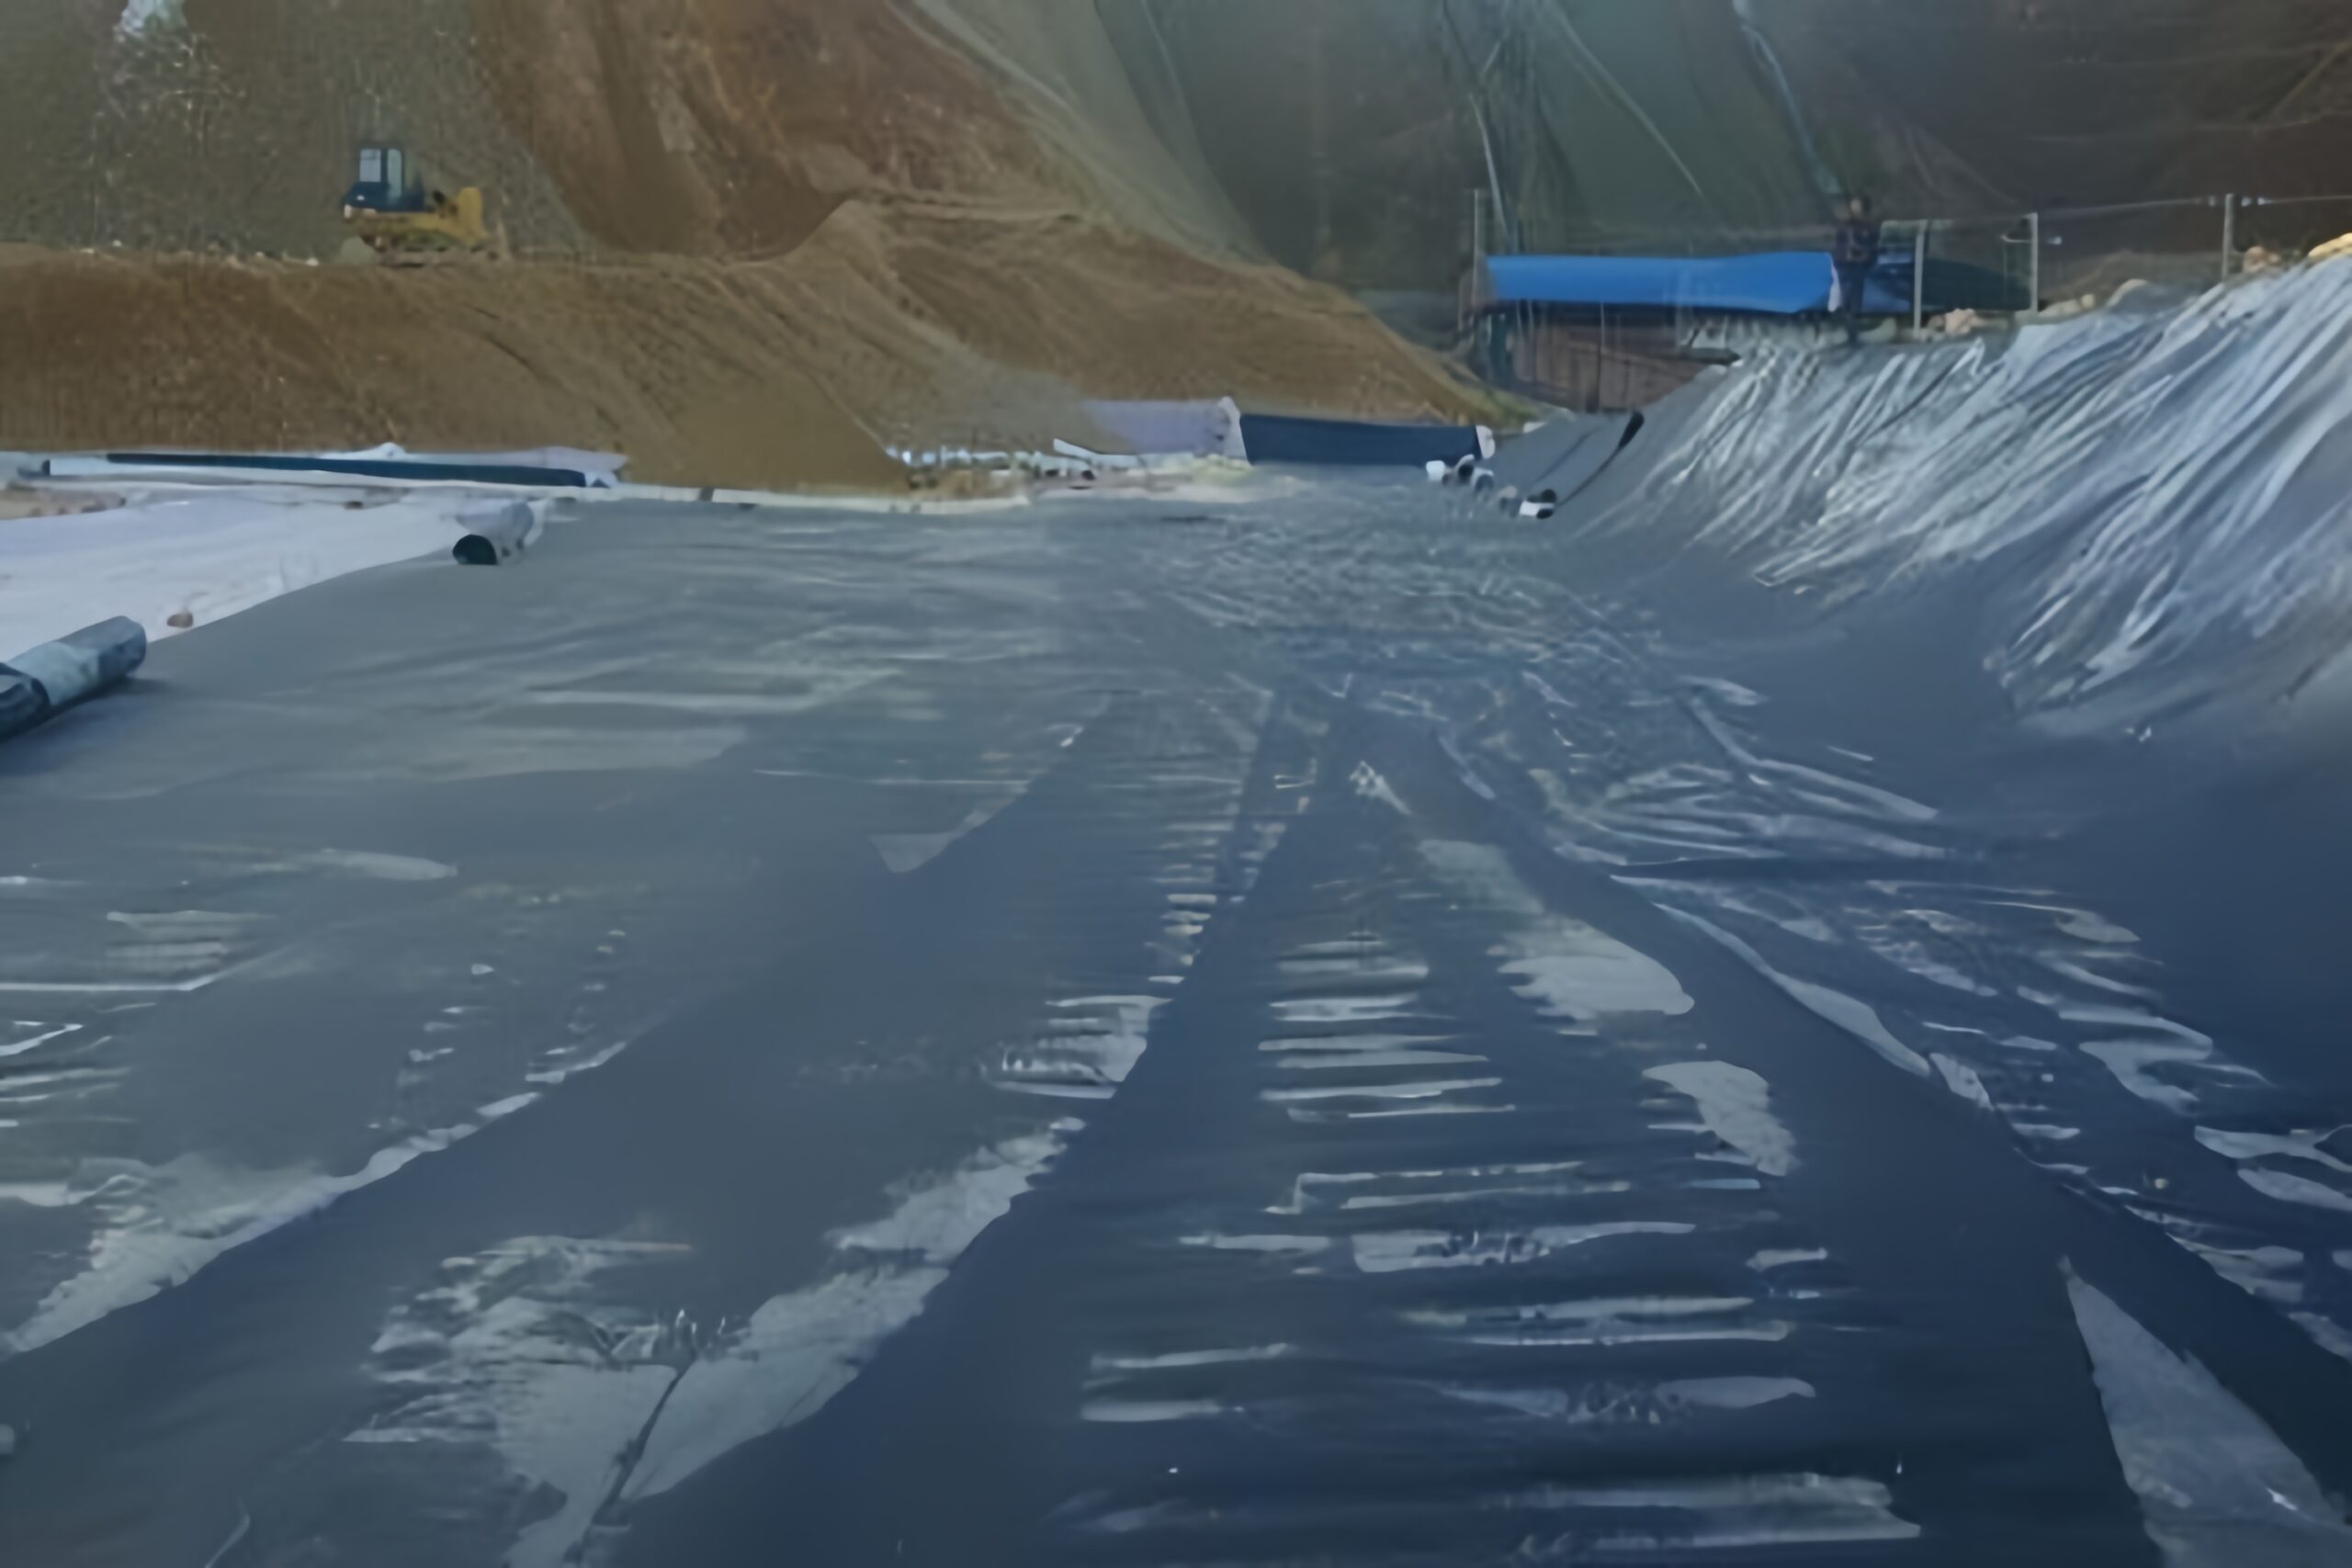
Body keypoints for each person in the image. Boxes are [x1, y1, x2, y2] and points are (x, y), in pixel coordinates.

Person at [1832, 196, 1883, 345]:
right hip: (1844, 265)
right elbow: (1838, 245)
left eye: (1857, 207)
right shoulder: (1844, 227)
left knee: (1854, 299)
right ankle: (1848, 330)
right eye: (1852, 207)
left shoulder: (1868, 227)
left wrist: (1864, 258)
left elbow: (1871, 247)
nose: (1853, 211)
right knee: (1845, 299)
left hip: (1857, 266)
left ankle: (1852, 331)